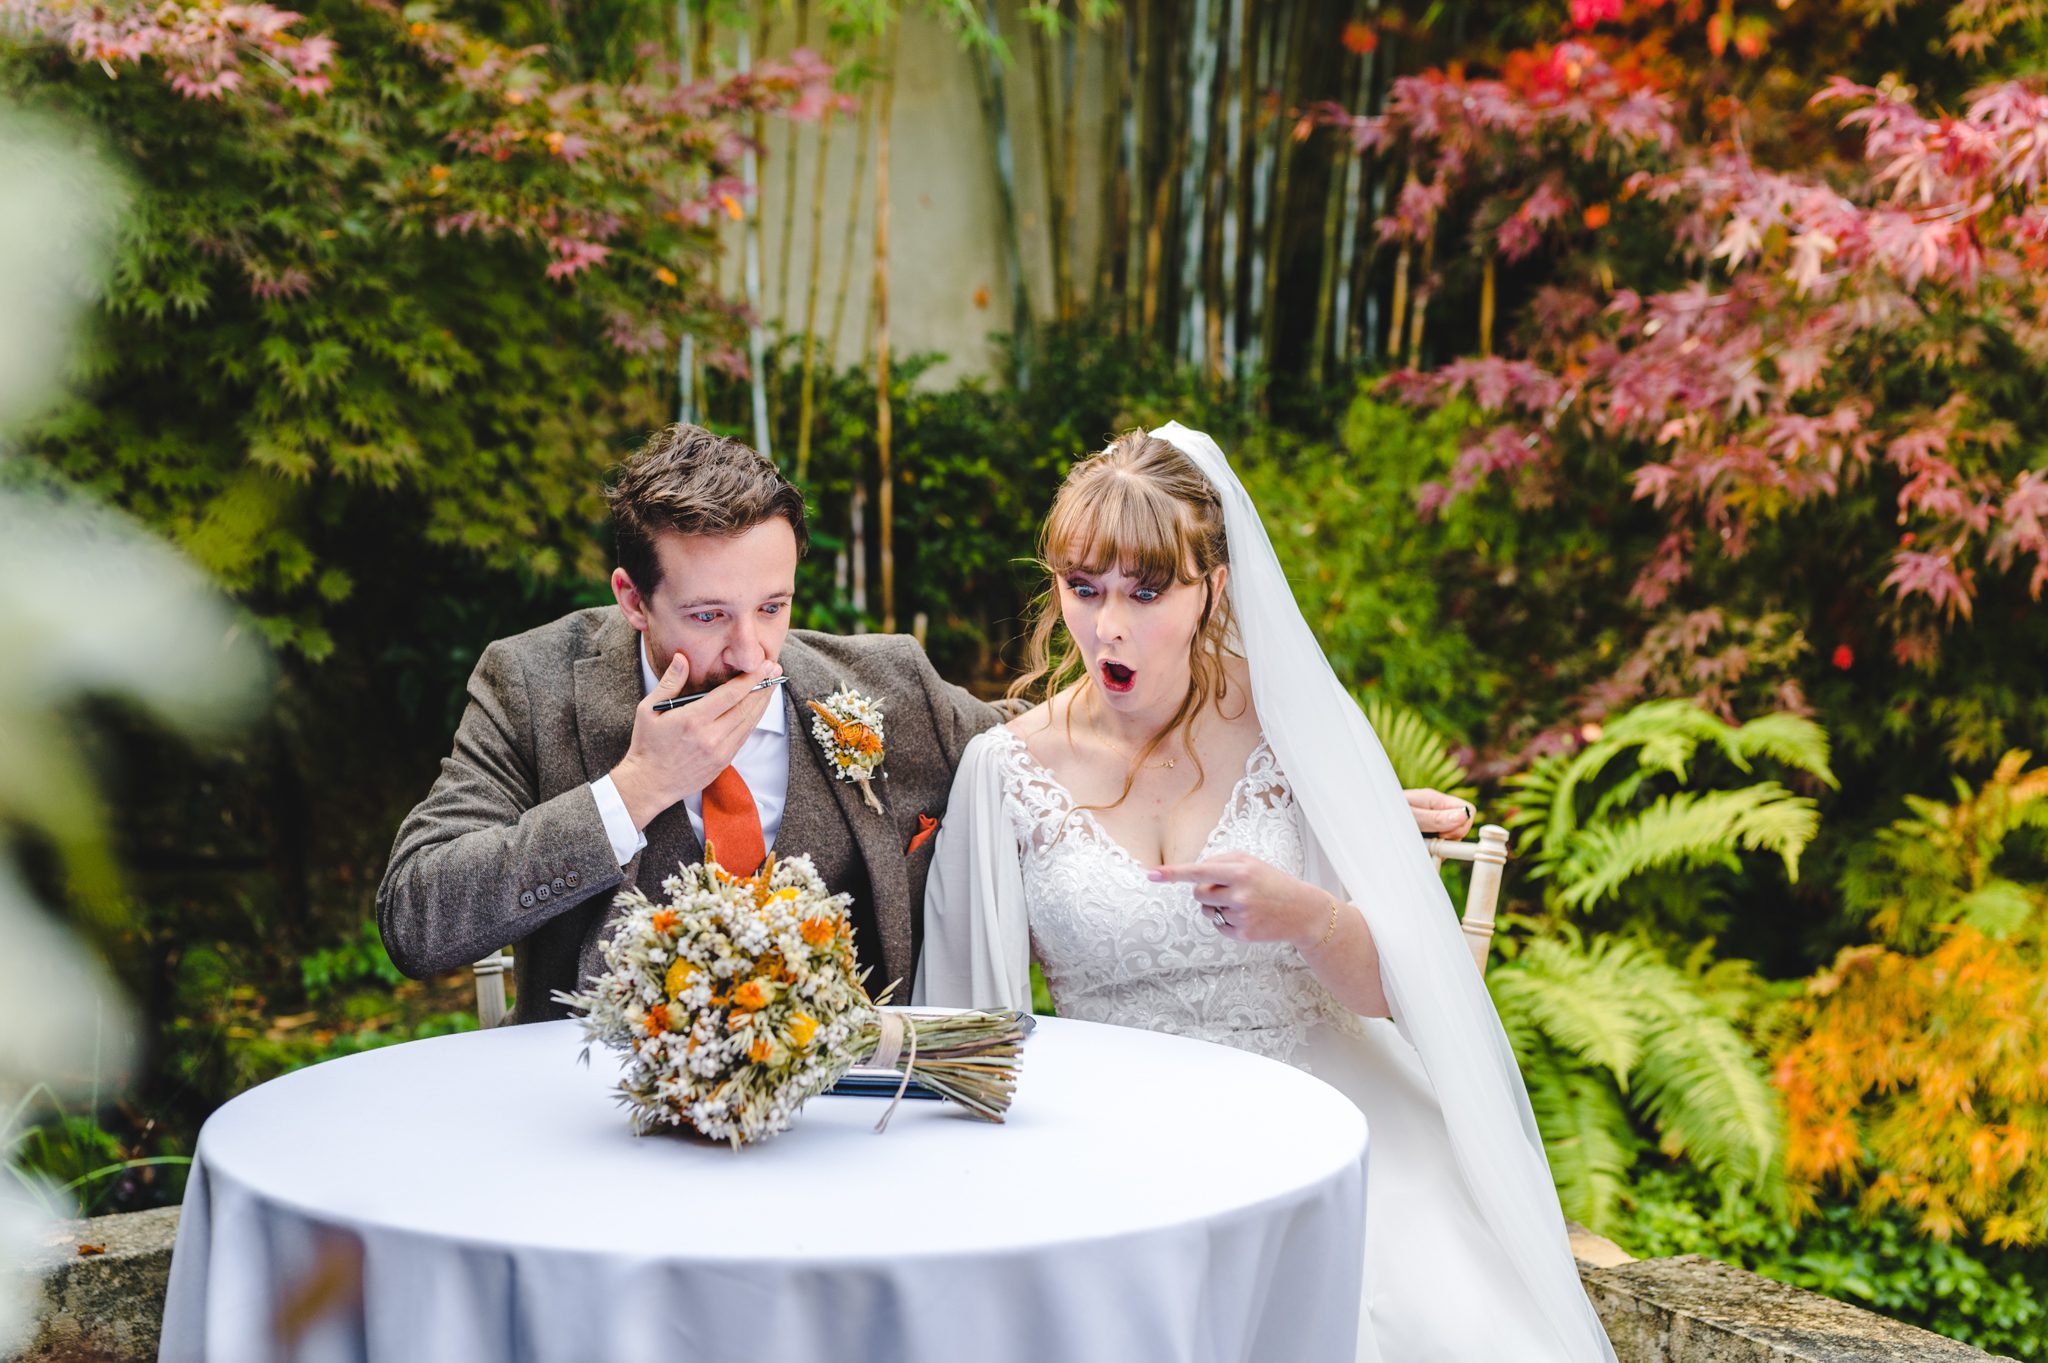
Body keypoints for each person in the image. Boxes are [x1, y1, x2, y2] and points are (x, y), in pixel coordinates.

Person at [378, 423, 1474, 1026]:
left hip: (859, 1140)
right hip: (608, 1141)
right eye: (709, 617)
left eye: (775, 606)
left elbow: (1069, 734)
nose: (753, 652)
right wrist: (630, 793)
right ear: (631, 597)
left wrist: (1334, 800)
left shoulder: (886, 688)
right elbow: (417, 918)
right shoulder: (529, 686)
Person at [914, 425, 1618, 1363]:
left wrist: (1307, 915)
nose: (1107, 627)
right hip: (1112, 1148)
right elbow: (969, 1032)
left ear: (1214, 585)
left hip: (1333, 1119)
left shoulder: (1295, 730)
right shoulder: (1003, 772)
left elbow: (1417, 990)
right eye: (1083, 590)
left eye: (1146, 591)